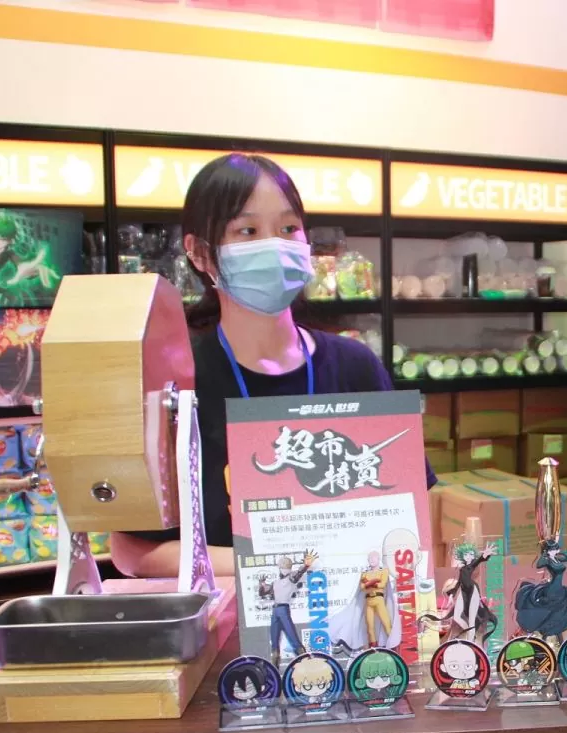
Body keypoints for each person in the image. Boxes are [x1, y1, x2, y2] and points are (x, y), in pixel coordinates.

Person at [111, 154, 434, 578]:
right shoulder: (176, 384)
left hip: (355, 609)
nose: (275, 246)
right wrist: (271, 564)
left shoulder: (356, 367)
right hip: (228, 612)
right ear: (200, 253)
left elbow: (413, 510)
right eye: (247, 231)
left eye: (288, 229)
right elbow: (131, 551)